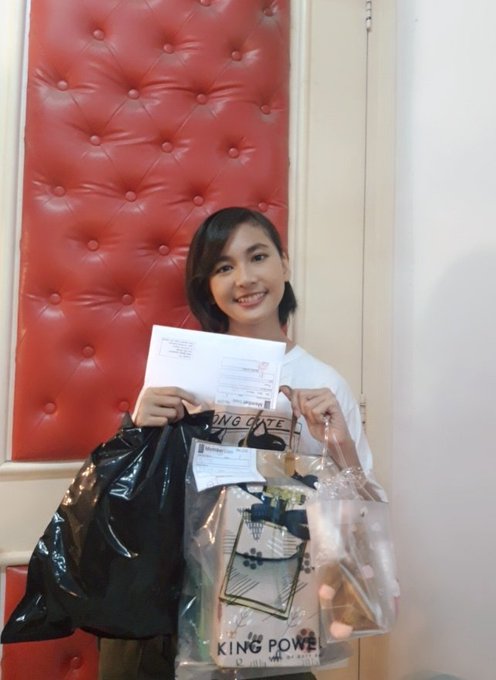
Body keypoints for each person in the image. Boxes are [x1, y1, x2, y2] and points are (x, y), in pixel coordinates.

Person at [98, 206, 381, 680]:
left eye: (258, 257)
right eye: (224, 267)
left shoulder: (323, 383)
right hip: (172, 617)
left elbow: (364, 520)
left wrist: (339, 446)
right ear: (207, 286)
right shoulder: (181, 371)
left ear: (284, 264)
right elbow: (132, 505)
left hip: (277, 618)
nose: (245, 279)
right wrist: (137, 429)